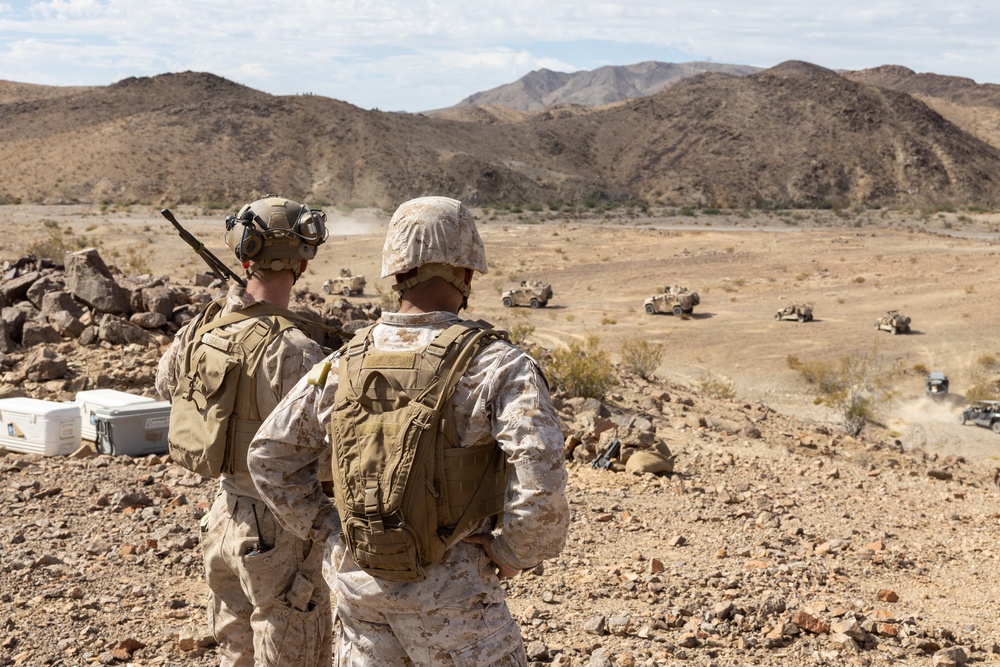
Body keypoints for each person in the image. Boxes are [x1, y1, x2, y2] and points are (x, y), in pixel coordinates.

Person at [249, 195, 570, 666]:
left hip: (361, 591)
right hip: (455, 599)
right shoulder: (498, 364)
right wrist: (514, 552)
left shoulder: (346, 360)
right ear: (467, 272)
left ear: (395, 273)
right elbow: (542, 476)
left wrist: (334, 532)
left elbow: (270, 457)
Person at [155, 195, 333, 666]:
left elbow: (166, 384)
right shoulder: (295, 349)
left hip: (223, 513)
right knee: (294, 643)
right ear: (303, 261)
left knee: (237, 647)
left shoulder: (202, 327)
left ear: (242, 254)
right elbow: (332, 449)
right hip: (281, 523)